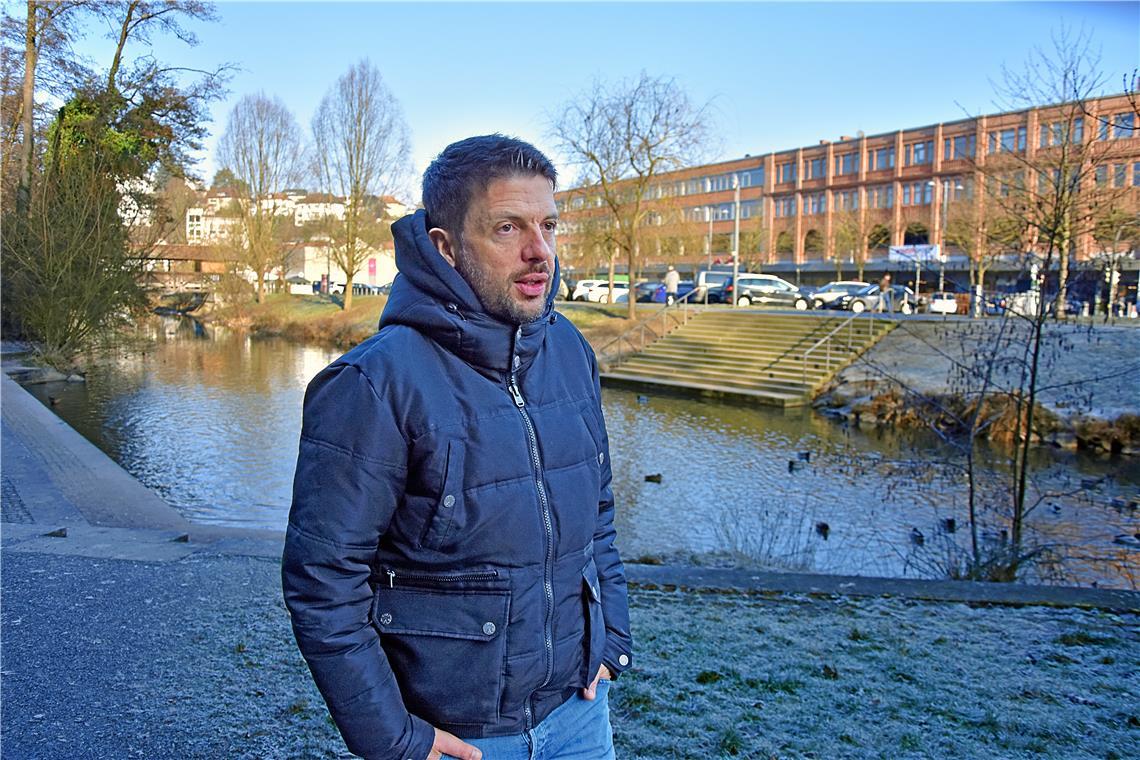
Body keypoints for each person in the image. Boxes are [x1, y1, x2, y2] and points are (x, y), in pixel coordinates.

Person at [282, 135, 633, 760]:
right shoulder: (373, 384)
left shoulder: (571, 354)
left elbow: (598, 516)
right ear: (445, 247)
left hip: (578, 716)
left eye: (549, 225)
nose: (540, 253)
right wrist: (393, 739)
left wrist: (610, 639)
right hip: (457, 740)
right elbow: (324, 582)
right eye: (507, 228)